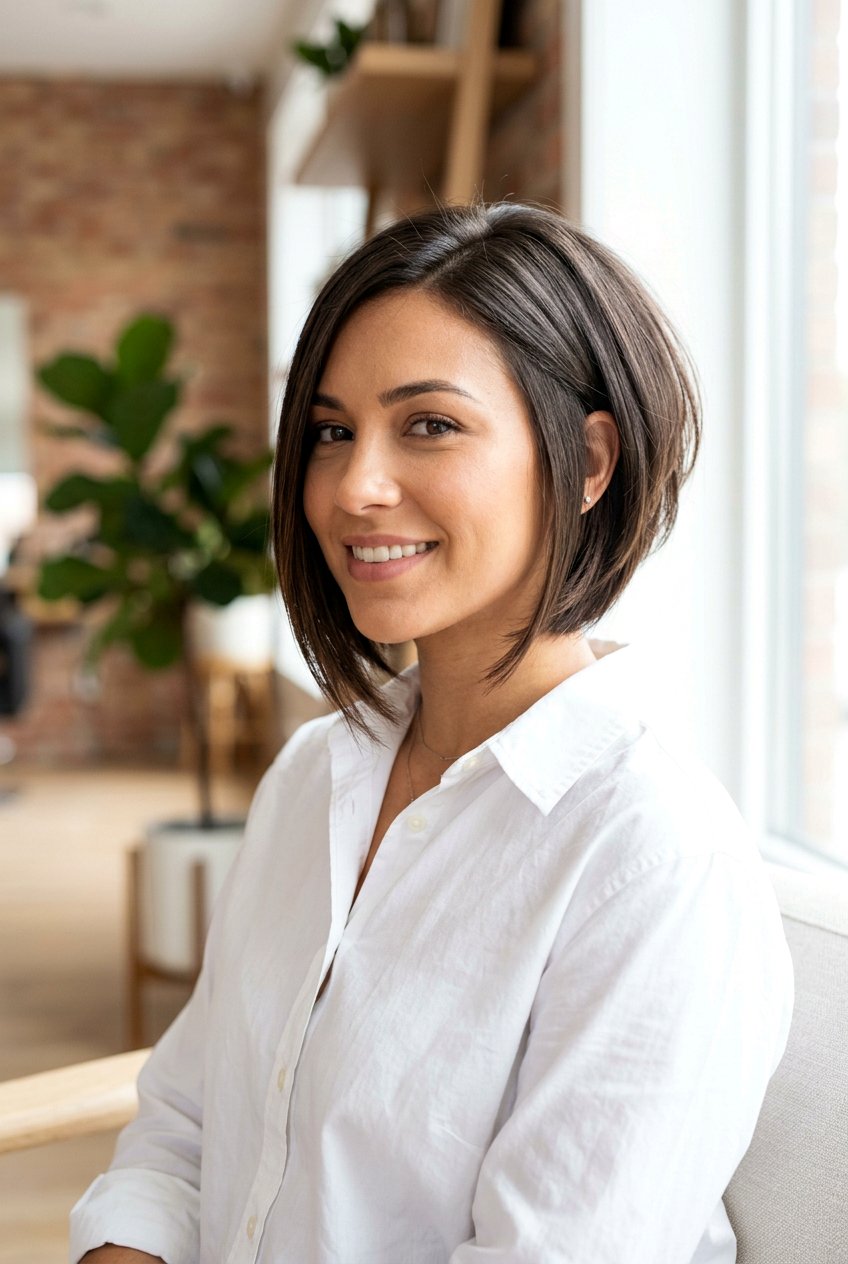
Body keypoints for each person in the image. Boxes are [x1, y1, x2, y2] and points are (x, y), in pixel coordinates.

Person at [70, 201, 793, 1264]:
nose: (354, 487)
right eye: (330, 432)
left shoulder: (652, 860)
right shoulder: (312, 774)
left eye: (428, 424)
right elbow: (186, 1125)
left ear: (587, 462)